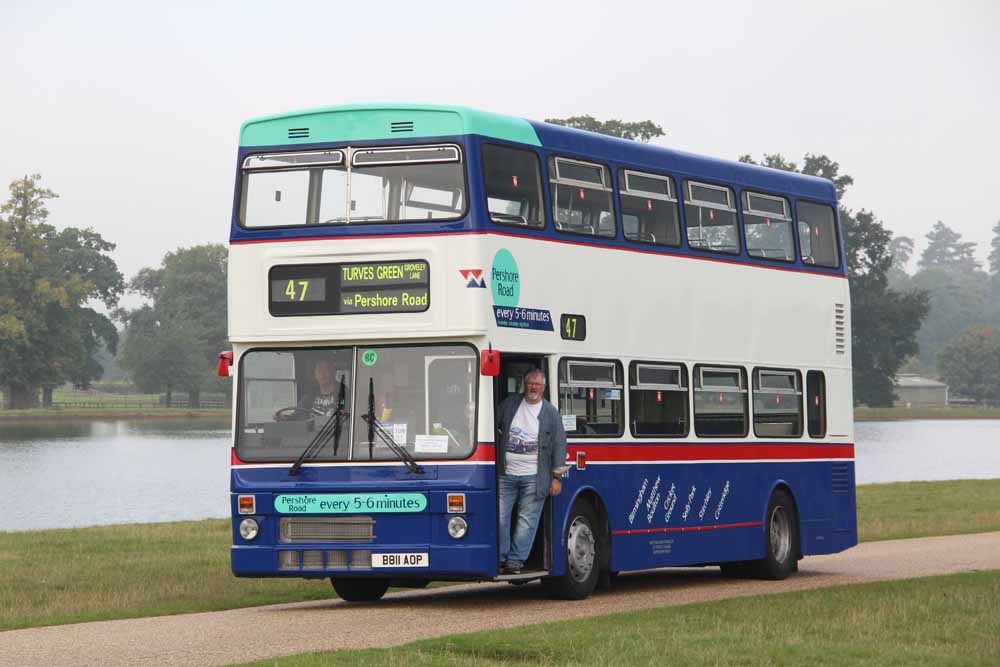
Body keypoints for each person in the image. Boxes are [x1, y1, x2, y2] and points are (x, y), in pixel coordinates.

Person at [496, 368, 568, 574]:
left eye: (537, 384)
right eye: (530, 383)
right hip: (506, 474)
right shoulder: (509, 405)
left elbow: (559, 445)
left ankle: (515, 562)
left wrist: (557, 477)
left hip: (535, 477)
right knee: (500, 517)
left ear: (544, 388)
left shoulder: (551, 413)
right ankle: (500, 558)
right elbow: (493, 427)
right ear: (524, 385)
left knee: (527, 522)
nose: (533, 387)